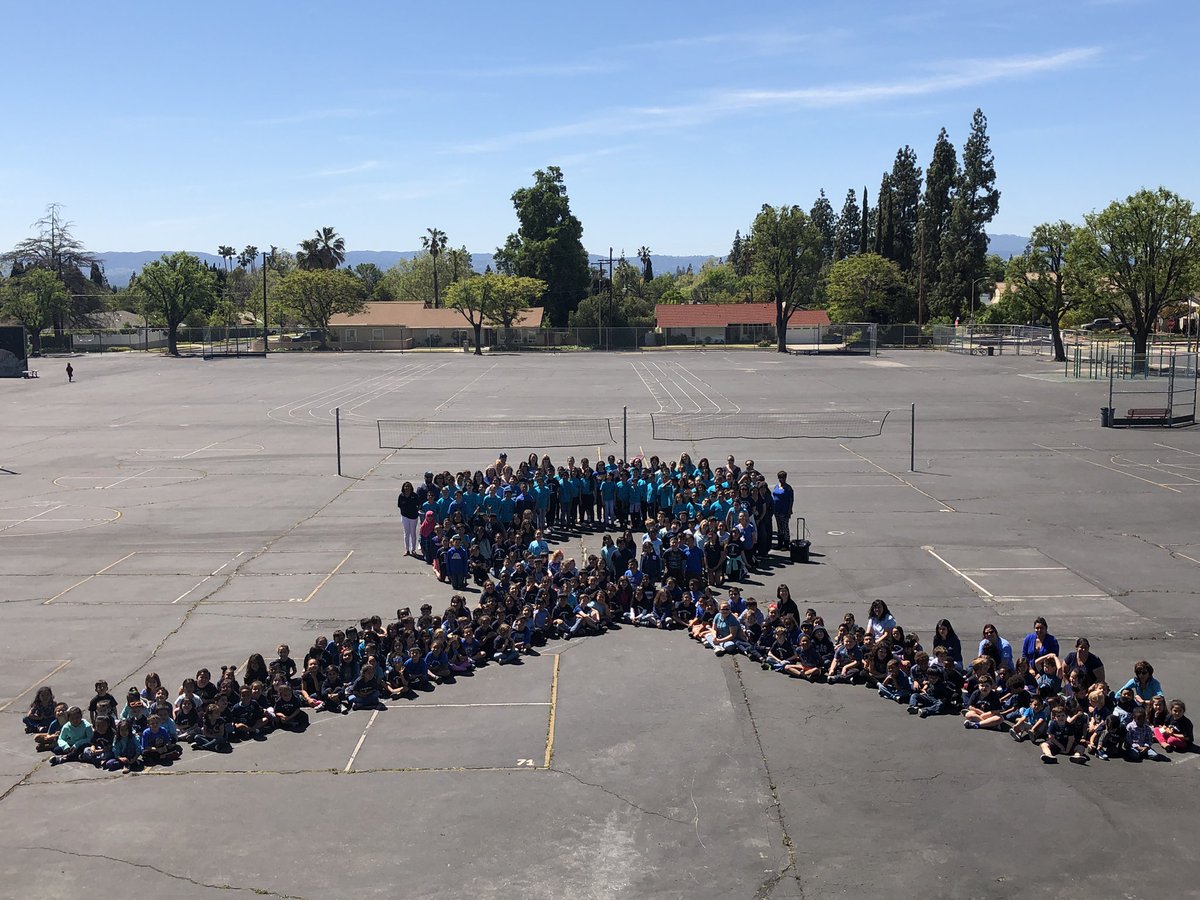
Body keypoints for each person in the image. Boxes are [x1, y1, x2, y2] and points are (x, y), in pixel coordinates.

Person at [771, 471, 794, 551]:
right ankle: (780, 543)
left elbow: (791, 500)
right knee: (779, 527)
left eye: (783, 478)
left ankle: (786, 543)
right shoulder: (776, 486)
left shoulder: (788, 488)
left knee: (785, 527)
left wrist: (789, 510)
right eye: (780, 478)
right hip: (776, 510)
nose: (782, 479)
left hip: (784, 510)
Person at [397, 482, 421, 556]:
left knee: (413, 533)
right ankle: (407, 549)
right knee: (406, 533)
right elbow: (399, 505)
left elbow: (418, 505)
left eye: (408, 486)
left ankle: (413, 550)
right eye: (405, 486)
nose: (407, 488)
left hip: (413, 517)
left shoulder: (415, 495)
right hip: (405, 517)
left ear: (411, 487)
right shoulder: (401, 496)